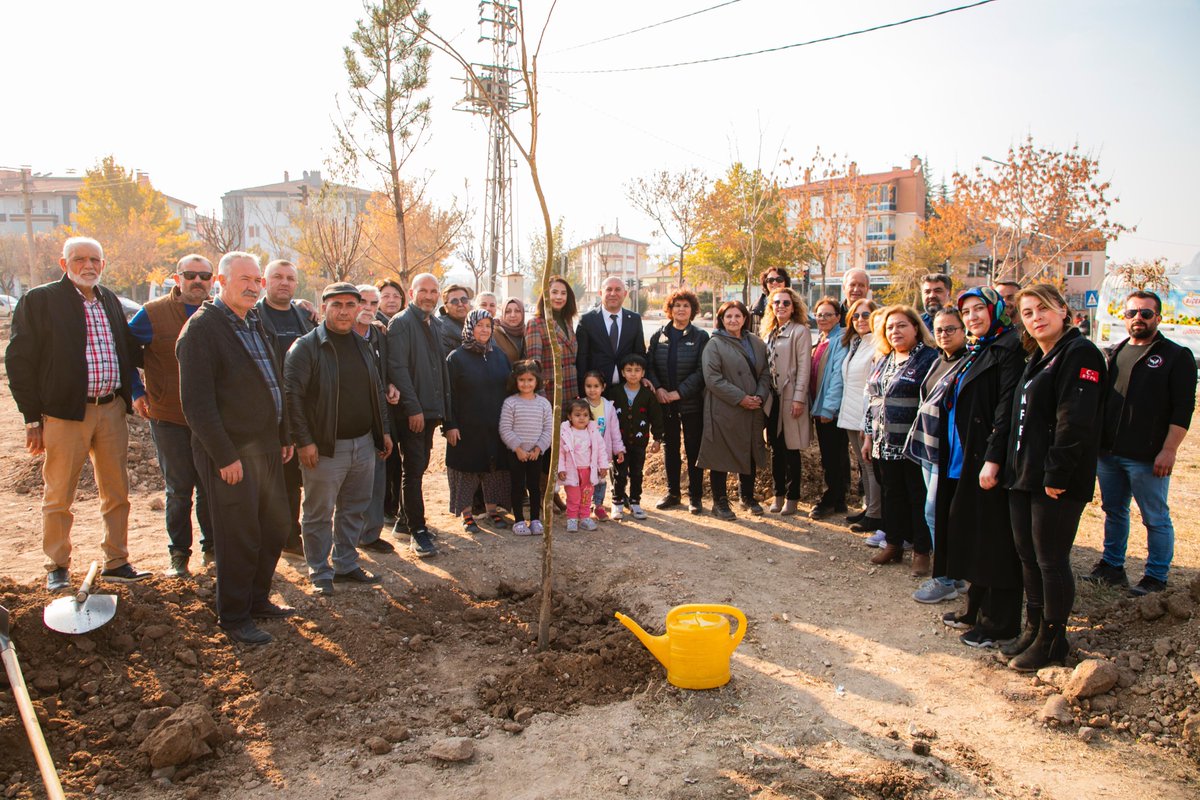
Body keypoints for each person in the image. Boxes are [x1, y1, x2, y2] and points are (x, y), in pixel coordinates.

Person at [6, 236, 150, 590]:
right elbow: (19, 361)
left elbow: (130, 351)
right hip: (65, 413)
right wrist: (32, 417)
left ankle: (117, 560)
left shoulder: (110, 300)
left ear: (103, 264)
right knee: (59, 495)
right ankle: (56, 565)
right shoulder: (40, 301)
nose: (88, 266)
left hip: (110, 410)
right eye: (80, 259)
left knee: (117, 491)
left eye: (95, 260)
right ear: (63, 263)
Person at [178, 251, 294, 645]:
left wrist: (282, 436)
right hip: (229, 454)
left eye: (256, 280)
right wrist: (224, 455)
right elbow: (197, 404)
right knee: (238, 534)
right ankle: (233, 615)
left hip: (265, 447)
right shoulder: (202, 330)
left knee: (275, 526)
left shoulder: (253, 321)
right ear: (221, 282)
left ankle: (258, 600)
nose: (252, 286)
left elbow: (273, 382)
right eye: (243, 278)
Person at [1003, 284, 1106, 672]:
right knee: (1028, 555)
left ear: (1064, 311)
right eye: (1027, 313)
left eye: (1043, 308)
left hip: (1055, 479)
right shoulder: (1038, 357)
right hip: (1025, 475)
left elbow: (1075, 420)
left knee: (1050, 559)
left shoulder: (1080, 354)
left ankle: (1053, 639)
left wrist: (1057, 472)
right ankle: (1034, 629)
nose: (1036, 318)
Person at [933, 289, 1026, 650]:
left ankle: (998, 623)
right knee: (971, 533)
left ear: (996, 310)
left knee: (994, 540)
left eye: (978, 310)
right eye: (966, 312)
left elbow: (1006, 407)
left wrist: (994, 457)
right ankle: (974, 609)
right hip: (963, 455)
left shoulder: (1010, 348)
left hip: (988, 458)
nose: (971, 317)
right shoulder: (981, 349)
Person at [1086, 290, 1196, 596]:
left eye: (1146, 313)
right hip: (1109, 454)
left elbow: (1183, 408)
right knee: (1114, 511)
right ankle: (1111, 567)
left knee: (1155, 517)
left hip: (1148, 457)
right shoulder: (1114, 353)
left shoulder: (1176, 356)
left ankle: (1155, 578)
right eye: (1132, 313)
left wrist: (1169, 449)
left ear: (1158, 318)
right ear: (1124, 317)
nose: (1138, 318)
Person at [284, 283, 392, 595]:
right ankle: (319, 570)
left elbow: (376, 391)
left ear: (360, 308)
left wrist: (382, 431)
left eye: (350, 305)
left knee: (355, 507)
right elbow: (294, 398)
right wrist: (304, 441)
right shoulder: (306, 347)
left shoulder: (362, 344)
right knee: (319, 511)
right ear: (325, 306)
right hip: (325, 448)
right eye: (337, 305)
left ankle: (345, 563)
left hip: (363, 444)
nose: (344, 311)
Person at [128, 254, 216, 576]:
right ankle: (178, 555)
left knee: (210, 488)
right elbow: (124, 350)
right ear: (177, 278)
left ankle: (213, 551)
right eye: (190, 275)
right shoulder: (152, 315)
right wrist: (137, 391)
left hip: (210, 420)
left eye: (204, 276)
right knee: (180, 490)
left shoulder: (220, 313)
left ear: (212, 280)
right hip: (169, 417)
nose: (197, 281)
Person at [862, 306, 938, 572]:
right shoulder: (885, 359)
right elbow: (873, 399)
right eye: (890, 327)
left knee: (917, 497)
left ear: (915, 327)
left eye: (901, 325)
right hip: (885, 443)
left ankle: (921, 551)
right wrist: (869, 436)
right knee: (891, 495)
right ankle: (893, 544)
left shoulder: (929, 359)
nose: (895, 331)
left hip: (914, 444)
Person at [386, 272, 456, 558]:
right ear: (411, 292)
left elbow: (439, 369)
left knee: (420, 465)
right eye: (423, 290)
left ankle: (404, 522)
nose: (428, 296)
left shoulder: (434, 323)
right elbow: (398, 369)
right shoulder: (402, 324)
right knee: (413, 471)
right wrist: (412, 408)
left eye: (433, 291)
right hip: (413, 412)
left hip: (429, 411)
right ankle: (418, 530)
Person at [905, 308, 968, 600]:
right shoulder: (939, 360)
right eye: (940, 330)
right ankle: (953, 574)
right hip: (928, 447)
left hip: (949, 452)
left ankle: (945, 577)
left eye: (951, 329)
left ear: (964, 330)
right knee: (936, 513)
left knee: (934, 511)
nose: (944, 335)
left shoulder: (968, 362)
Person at [255, 259, 316, 557]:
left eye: (290, 278)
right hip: (263, 410)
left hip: (301, 407)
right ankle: (267, 539)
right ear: (264, 282)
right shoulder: (252, 315)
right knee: (267, 481)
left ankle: (292, 539)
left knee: (294, 480)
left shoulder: (304, 317)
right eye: (277, 277)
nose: (284, 282)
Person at [697, 300, 770, 521]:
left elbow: (765, 373)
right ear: (721, 319)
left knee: (748, 450)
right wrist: (741, 398)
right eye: (728, 316)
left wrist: (759, 395)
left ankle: (746, 496)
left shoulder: (756, 343)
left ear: (745, 318)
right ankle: (719, 501)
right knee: (721, 453)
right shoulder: (715, 344)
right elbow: (713, 379)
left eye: (737, 316)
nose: (733, 320)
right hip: (724, 407)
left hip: (752, 408)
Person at [445, 310, 512, 532]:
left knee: (494, 470)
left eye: (488, 326)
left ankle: (492, 511)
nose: (484, 330)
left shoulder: (499, 356)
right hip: (466, 427)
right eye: (479, 325)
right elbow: (449, 395)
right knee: (466, 471)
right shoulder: (456, 358)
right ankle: (467, 515)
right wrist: (450, 425)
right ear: (469, 327)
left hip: (495, 425)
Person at [646, 290, 710, 514]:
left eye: (686, 306)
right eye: (677, 305)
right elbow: (650, 366)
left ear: (692, 310)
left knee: (693, 449)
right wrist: (660, 389)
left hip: (691, 403)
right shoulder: (659, 336)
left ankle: (695, 496)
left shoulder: (701, 337)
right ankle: (673, 493)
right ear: (670, 309)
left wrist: (679, 393)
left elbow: (702, 372)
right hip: (665, 403)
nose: (681, 309)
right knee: (670, 447)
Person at [353, 284, 400, 554]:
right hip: (348, 421)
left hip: (378, 418)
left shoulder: (379, 335)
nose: (368, 308)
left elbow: (384, 372)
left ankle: (370, 535)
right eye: (363, 302)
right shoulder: (341, 335)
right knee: (350, 485)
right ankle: (348, 541)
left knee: (377, 476)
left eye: (373, 303)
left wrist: (389, 385)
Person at [760, 285, 811, 515]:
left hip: (791, 397)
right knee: (775, 449)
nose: (781, 306)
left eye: (786, 303)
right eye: (776, 302)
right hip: (772, 399)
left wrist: (799, 398)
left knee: (791, 449)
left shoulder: (800, 331)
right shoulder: (769, 331)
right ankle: (778, 494)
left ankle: (792, 497)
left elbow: (804, 369)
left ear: (794, 307)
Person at [838, 299, 882, 536]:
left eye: (866, 315)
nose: (860, 320)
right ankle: (870, 509)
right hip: (851, 414)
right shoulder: (855, 342)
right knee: (864, 467)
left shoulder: (878, 344)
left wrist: (869, 423)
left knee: (871, 466)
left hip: (867, 416)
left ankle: (876, 515)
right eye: (855, 316)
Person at [605, 354, 663, 520]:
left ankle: (635, 502)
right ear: (622, 372)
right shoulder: (614, 392)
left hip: (639, 442)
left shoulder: (648, 395)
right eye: (629, 370)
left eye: (637, 370)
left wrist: (657, 439)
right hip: (619, 444)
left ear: (643, 372)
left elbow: (656, 417)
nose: (633, 374)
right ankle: (617, 502)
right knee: (619, 473)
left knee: (637, 473)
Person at [499, 361, 553, 535]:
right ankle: (519, 521)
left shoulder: (544, 403)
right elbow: (505, 428)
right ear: (516, 381)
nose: (526, 384)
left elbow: (548, 429)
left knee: (534, 486)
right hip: (517, 454)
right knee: (517, 486)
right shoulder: (510, 403)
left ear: (537, 381)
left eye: (530, 380)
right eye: (522, 380)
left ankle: (536, 519)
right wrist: (518, 449)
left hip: (536, 454)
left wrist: (538, 449)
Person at [810, 297, 850, 519]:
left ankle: (830, 498)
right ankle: (840, 499)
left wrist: (828, 409)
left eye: (828, 314)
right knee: (835, 454)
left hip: (830, 409)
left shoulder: (840, 339)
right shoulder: (823, 338)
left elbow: (837, 377)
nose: (822, 318)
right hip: (820, 405)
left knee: (832, 456)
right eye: (819, 314)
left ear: (838, 317)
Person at [576, 276, 646, 389]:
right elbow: (581, 358)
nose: (613, 293)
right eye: (608, 289)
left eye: (618, 289)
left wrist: (643, 378)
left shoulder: (634, 319)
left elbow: (640, 353)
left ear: (625, 294)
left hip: (626, 388)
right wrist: (582, 388)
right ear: (600, 293)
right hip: (596, 391)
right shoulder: (587, 320)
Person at [375, 277, 407, 527]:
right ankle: (384, 507)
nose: (391, 300)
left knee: (401, 459)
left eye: (396, 295)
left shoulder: (405, 323)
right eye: (386, 295)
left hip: (404, 402)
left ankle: (397, 506)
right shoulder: (373, 326)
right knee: (386, 455)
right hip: (380, 402)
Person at [524, 275, 580, 407]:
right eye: (554, 292)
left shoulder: (568, 321)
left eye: (563, 293)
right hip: (550, 393)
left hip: (571, 389)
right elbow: (534, 366)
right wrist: (541, 399)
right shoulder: (536, 323)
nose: (559, 297)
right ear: (545, 294)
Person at [557, 398, 610, 532]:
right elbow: (560, 453)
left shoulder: (593, 431)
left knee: (586, 495)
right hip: (572, 471)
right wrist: (561, 469)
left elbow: (601, 450)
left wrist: (603, 466)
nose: (582, 418)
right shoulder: (565, 432)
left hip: (588, 471)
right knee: (574, 497)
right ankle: (572, 519)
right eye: (577, 415)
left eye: (585, 415)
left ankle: (585, 517)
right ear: (569, 416)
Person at [582, 371, 625, 521]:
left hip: (602, 452)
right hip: (584, 452)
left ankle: (598, 506)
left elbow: (614, 430)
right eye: (588, 386)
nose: (592, 390)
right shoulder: (581, 405)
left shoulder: (608, 407)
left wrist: (618, 449)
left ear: (603, 387)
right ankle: (584, 505)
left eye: (596, 386)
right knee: (586, 479)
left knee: (601, 478)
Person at [749, 267, 791, 331]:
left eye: (779, 279)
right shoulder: (755, 308)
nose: (774, 283)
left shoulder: (794, 304)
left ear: (785, 282)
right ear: (766, 284)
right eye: (770, 280)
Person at [436, 284, 472, 353]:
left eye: (464, 300)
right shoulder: (439, 331)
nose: (460, 304)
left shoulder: (481, 325)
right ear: (446, 308)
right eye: (454, 301)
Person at [493, 297, 527, 364]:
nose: (513, 315)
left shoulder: (527, 332)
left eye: (517, 311)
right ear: (503, 314)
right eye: (508, 312)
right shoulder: (494, 333)